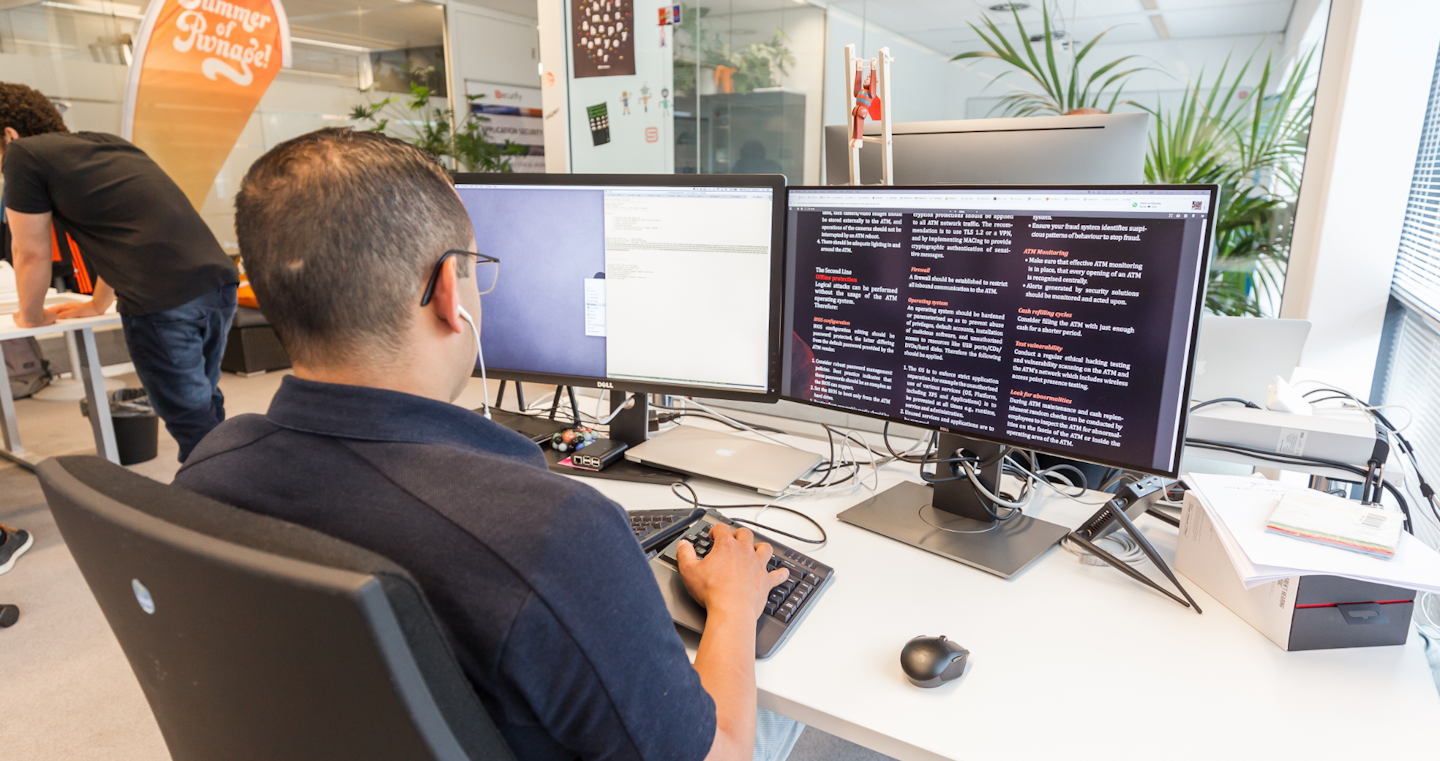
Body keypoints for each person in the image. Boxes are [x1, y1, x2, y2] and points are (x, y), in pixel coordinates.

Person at [174, 128, 799, 761]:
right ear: (451, 289)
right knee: (781, 715)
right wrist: (734, 606)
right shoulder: (551, 530)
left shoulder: (208, 474)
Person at [0, 82, 239, 462]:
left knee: (189, 415)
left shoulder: (22, 155)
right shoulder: (105, 143)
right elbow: (125, 230)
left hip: (161, 297)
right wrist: (98, 304)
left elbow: (29, 250)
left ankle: (217, 502)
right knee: (204, 399)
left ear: (9, 133)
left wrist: (30, 316)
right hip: (217, 283)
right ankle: (231, 480)